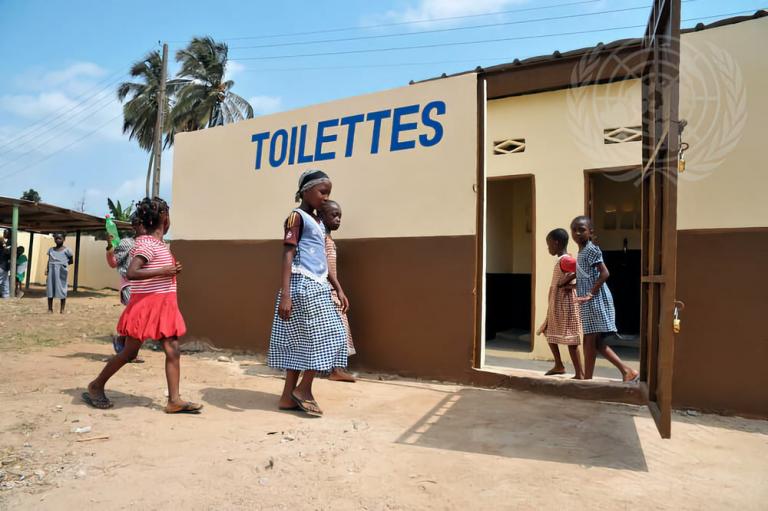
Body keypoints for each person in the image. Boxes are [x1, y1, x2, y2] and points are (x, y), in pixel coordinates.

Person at [83, 197, 202, 413]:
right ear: (165, 218)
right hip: (147, 306)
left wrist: (169, 269)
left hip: (163, 305)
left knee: (173, 350)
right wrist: (164, 271)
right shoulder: (147, 243)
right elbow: (132, 272)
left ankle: (174, 400)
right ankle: (96, 385)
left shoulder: (158, 244)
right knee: (129, 353)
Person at [268, 170, 349, 416]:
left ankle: (286, 397)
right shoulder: (297, 217)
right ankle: (304, 389)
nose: (325, 197)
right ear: (306, 191)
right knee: (332, 334)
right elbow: (288, 254)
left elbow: (322, 258)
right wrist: (286, 294)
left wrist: (338, 287)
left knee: (300, 342)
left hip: (318, 284)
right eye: (322, 192)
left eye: (329, 193)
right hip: (303, 286)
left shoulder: (318, 221)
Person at [571, 216, 639, 382]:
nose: (578, 233)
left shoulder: (591, 249)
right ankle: (627, 371)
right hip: (587, 300)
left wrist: (590, 294)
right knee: (596, 342)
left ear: (590, 232)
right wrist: (574, 286)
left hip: (595, 299)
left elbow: (605, 273)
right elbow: (587, 276)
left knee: (589, 339)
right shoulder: (581, 251)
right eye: (574, 230)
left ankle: (587, 380)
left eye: (582, 229)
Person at [536, 228, 583, 379]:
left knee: (571, 338)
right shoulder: (561, 260)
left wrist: (570, 283)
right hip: (557, 303)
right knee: (548, 330)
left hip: (565, 304)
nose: (548, 248)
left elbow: (585, 269)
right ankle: (559, 365)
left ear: (556, 243)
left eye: (549, 245)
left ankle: (579, 373)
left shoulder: (566, 260)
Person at [318, 200, 356, 383]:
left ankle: (335, 367)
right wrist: (337, 289)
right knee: (337, 328)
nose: (338, 219)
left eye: (340, 215)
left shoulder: (328, 238)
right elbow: (323, 267)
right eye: (334, 215)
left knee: (338, 328)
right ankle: (335, 369)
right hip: (325, 291)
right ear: (321, 216)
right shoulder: (321, 238)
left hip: (332, 290)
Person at [106, 213, 145, 362]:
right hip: (129, 285)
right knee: (136, 317)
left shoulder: (149, 243)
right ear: (136, 226)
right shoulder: (127, 243)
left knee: (139, 319)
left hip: (143, 286)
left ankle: (122, 341)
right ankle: (127, 349)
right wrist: (110, 246)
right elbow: (113, 262)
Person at [46, 233, 73, 313]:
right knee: (50, 289)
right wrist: (47, 269)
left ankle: (62, 309)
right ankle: (50, 309)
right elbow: (49, 260)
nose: (58, 240)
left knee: (62, 289)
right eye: (56, 238)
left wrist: (62, 265)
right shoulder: (51, 250)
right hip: (51, 271)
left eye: (60, 238)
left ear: (64, 239)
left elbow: (71, 261)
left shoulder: (67, 250)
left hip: (61, 272)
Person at [0, 229, 10, 299]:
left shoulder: (4, 249)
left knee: (5, 282)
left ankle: (6, 296)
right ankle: (6, 296)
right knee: (5, 282)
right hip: (3, 266)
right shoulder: (4, 249)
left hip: (3, 266)